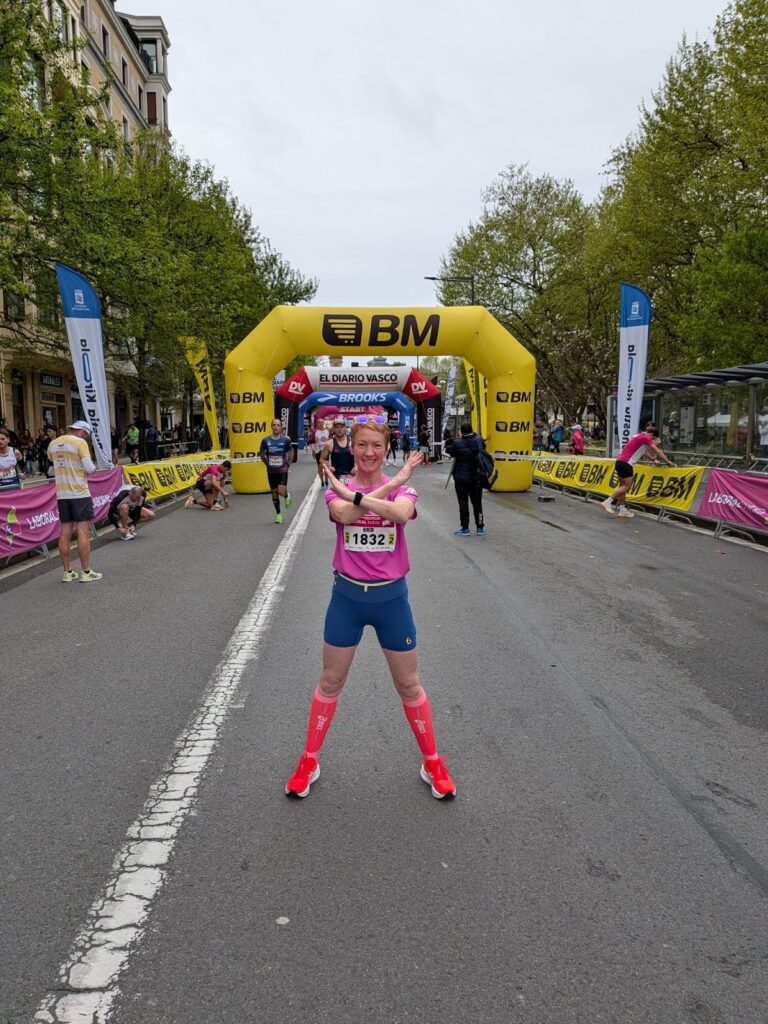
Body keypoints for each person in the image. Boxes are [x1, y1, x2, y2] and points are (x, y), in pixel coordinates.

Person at [284, 416, 456, 801]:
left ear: (386, 448)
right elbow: (342, 516)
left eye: (376, 446)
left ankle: (432, 762)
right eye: (361, 445)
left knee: (408, 685)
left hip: (391, 600)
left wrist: (387, 486)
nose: (368, 452)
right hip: (346, 598)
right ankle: (309, 759)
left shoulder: (399, 490)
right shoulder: (337, 491)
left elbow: (399, 514)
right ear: (352, 446)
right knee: (330, 682)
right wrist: (366, 494)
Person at [47, 420, 102, 582]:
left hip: (62, 494)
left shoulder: (53, 443)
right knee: (83, 532)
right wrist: (95, 467)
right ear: (83, 432)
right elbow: (89, 467)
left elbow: (51, 465)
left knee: (64, 533)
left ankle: (68, 572)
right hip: (79, 493)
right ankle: (86, 572)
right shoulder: (80, 442)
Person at [600, 425, 673, 519]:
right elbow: (657, 451)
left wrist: (653, 460)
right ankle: (607, 502)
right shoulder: (646, 437)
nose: (653, 440)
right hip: (627, 464)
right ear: (652, 434)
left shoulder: (638, 436)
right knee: (627, 487)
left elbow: (643, 452)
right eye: (653, 438)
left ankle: (622, 510)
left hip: (619, 462)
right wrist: (667, 461)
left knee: (622, 487)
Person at [446, 422, 486, 537]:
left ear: (461, 431)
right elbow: (483, 449)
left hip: (461, 477)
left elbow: (452, 453)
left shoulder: (457, 442)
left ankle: (465, 528)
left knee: (463, 502)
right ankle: (480, 527)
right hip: (476, 476)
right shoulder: (479, 440)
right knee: (477, 502)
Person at [259, 418, 293, 523]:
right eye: (274, 425)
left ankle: (286, 496)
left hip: (282, 469)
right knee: (274, 492)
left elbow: (291, 452)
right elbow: (261, 453)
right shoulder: (265, 440)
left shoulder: (286, 440)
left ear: (281, 427)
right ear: (271, 426)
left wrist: (288, 464)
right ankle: (278, 514)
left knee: (281, 491)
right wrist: (266, 463)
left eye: (278, 425)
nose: (276, 427)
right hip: (271, 471)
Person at [320, 419, 355, 485]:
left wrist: (356, 466)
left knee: (351, 494)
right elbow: (322, 459)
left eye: (341, 427)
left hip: (352, 475)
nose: (339, 429)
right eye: (337, 427)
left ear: (345, 428)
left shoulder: (352, 442)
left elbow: (360, 457)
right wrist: (328, 466)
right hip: (336, 476)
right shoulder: (329, 444)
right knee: (339, 495)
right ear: (333, 429)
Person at [0, 427, 25, 493]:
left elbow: (22, 465)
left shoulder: (15, 452)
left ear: (8, 439)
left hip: (14, 485)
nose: (0, 441)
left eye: (2, 439)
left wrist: (22, 473)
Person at [312, 420, 330, 486]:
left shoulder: (327, 431)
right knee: (320, 468)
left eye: (321, 422)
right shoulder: (314, 431)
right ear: (317, 423)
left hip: (325, 451)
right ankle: (322, 481)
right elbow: (311, 442)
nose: (320, 424)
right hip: (318, 451)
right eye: (319, 422)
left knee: (326, 467)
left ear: (323, 423)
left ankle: (326, 481)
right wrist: (313, 446)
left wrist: (329, 440)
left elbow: (331, 439)